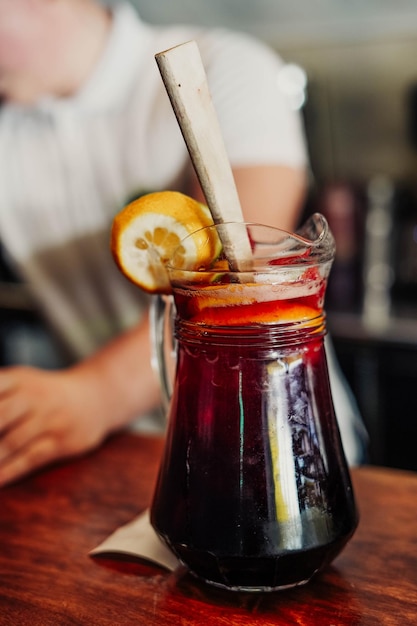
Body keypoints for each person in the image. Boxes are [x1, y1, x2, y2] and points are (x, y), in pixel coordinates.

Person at [0, 0, 365, 487]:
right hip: (114, 458)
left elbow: (241, 284)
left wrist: (92, 395)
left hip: (280, 450)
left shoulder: (225, 66)